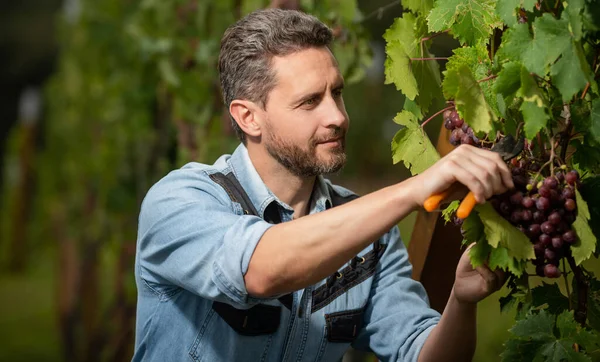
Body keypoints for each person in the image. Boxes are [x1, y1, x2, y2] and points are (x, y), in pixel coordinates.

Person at [132, 8, 514, 362]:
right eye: (310, 101)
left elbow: (421, 354)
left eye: (337, 93)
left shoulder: (371, 238)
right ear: (249, 118)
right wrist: (413, 189)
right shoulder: (179, 202)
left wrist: (461, 303)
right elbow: (263, 269)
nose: (337, 116)